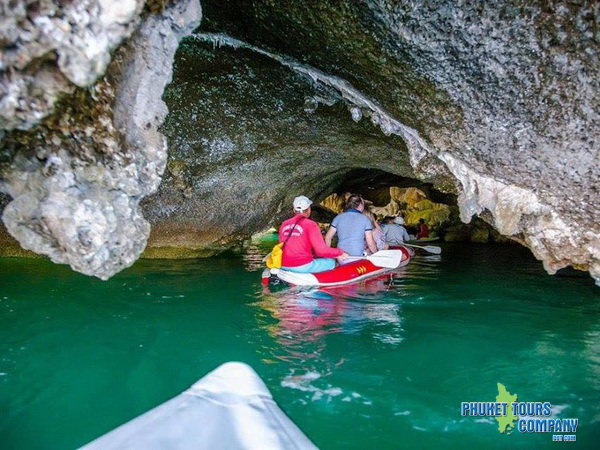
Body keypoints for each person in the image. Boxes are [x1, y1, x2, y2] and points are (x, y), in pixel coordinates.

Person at [280, 195, 348, 273]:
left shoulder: (284, 224)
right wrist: (340, 252)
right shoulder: (311, 224)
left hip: (283, 264)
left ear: (294, 210)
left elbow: (283, 246)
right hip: (302, 266)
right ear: (309, 210)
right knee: (331, 262)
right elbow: (321, 251)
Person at [325, 194, 377, 262]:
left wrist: (328, 255)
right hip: (357, 257)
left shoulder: (338, 218)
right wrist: (377, 255)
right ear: (360, 205)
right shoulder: (365, 219)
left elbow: (328, 237)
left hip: (341, 257)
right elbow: (370, 243)